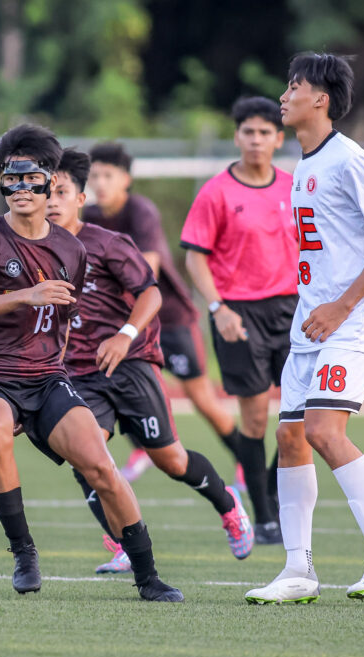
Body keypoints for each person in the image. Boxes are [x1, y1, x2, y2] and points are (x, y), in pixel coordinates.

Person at [0, 123, 183, 602]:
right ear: (2, 183)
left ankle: (148, 575)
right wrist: (25, 295)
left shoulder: (72, 248)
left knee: (102, 468)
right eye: (12, 178)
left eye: (33, 178)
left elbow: (66, 321)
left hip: (47, 377)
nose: (22, 188)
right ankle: (23, 551)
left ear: (51, 182)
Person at [245, 53, 364, 605]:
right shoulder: (305, 163)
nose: (283, 96)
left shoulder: (349, 159)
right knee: (290, 436)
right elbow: (362, 243)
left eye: (293, 86)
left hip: (350, 321)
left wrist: (358, 308)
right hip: (316, 321)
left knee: (325, 431)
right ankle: (298, 571)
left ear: (320, 100)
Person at [46, 147, 255, 571]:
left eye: (60, 191)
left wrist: (124, 336)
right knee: (84, 457)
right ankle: (126, 543)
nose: (50, 200)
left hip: (130, 366)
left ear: (79, 198)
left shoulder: (108, 242)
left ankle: (228, 504)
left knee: (172, 460)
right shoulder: (35, 250)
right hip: (82, 375)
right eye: (44, 191)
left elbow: (151, 291)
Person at [83, 144, 255, 509]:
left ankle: (244, 461)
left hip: (169, 320)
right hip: (123, 325)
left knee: (202, 399)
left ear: (126, 179)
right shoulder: (89, 216)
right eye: (94, 175)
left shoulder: (140, 211)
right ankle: (142, 450)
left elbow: (147, 271)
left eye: (107, 175)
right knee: (111, 386)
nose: (99, 182)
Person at [179, 96, 297, 544]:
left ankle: (266, 485)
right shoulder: (216, 192)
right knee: (254, 418)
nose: (256, 140)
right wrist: (219, 309)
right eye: (248, 131)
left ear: (279, 139)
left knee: (304, 416)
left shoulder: (294, 186)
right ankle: (265, 517)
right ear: (236, 137)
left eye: (265, 132)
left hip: (292, 309)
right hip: (238, 312)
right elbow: (195, 258)